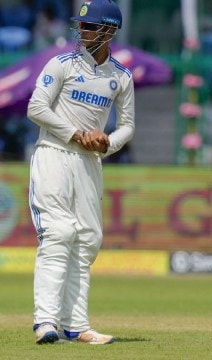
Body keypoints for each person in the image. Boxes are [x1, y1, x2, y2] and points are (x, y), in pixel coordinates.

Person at [27, 0, 135, 345]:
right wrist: (75, 134)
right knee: (58, 233)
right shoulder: (60, 64)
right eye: (81, 26)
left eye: (90, 27)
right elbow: (36, 107)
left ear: (109, 32)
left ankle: (77, 326)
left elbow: (128, 127)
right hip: (54, 154)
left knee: (87, 239)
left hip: (89, 163)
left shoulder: (120, 77)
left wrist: (106, 143)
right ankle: (45, 322)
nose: (82, 32)